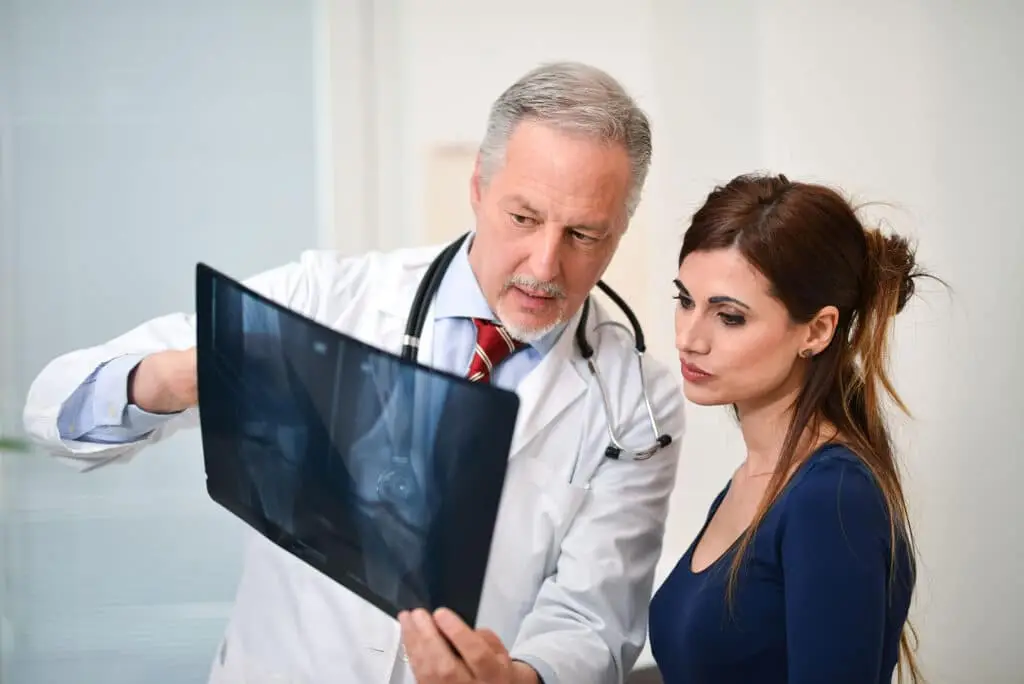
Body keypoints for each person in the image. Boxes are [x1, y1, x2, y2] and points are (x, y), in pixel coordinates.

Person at [22, 61, 686, 684]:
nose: (544, 265)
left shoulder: (636, 403)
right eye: (523, 217)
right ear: (479, 190)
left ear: (621, 229)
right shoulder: (330, 299)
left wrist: (518, 677)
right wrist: (180, 379)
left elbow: (595, 620)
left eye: (584, 235)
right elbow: (55, 410)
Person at [648, 173, 928, 683]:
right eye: (685, 300)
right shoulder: (753, 478)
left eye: (729, 317)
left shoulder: (832, 497)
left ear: (817, 330)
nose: (689, 338)